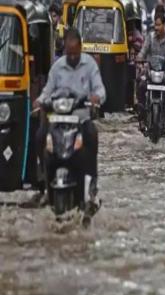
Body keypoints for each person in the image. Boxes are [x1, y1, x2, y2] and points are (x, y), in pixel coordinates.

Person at [33, 28, 106, 210]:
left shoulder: (90, 65)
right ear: (64, 49)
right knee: (40, 136)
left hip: (80, 120)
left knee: (92, 134)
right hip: (57, 121)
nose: (72, 56)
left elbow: (100, 90)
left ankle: (91, 185)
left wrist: (95, 98)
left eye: (75, 53)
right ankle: (42, 184)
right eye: (69, 53)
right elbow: (47, 91)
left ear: (81, 48)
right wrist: (40, 101)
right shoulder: (57, 67)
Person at [136, 14, 165, 134]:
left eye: (159, 25)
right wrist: (139, 58)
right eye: (155, 24)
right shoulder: (150, 37)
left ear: (164, 25)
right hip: (150, 71)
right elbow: (143, 51)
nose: (156, 27)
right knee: (140, 83)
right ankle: (141, 117)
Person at [127, 20, 144, 110]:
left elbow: (140, 46)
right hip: (130, 62)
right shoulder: (127, 32)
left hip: (136, 63)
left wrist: (132, 43)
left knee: (136, 82)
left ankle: (136, 103)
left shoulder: (136, 34)